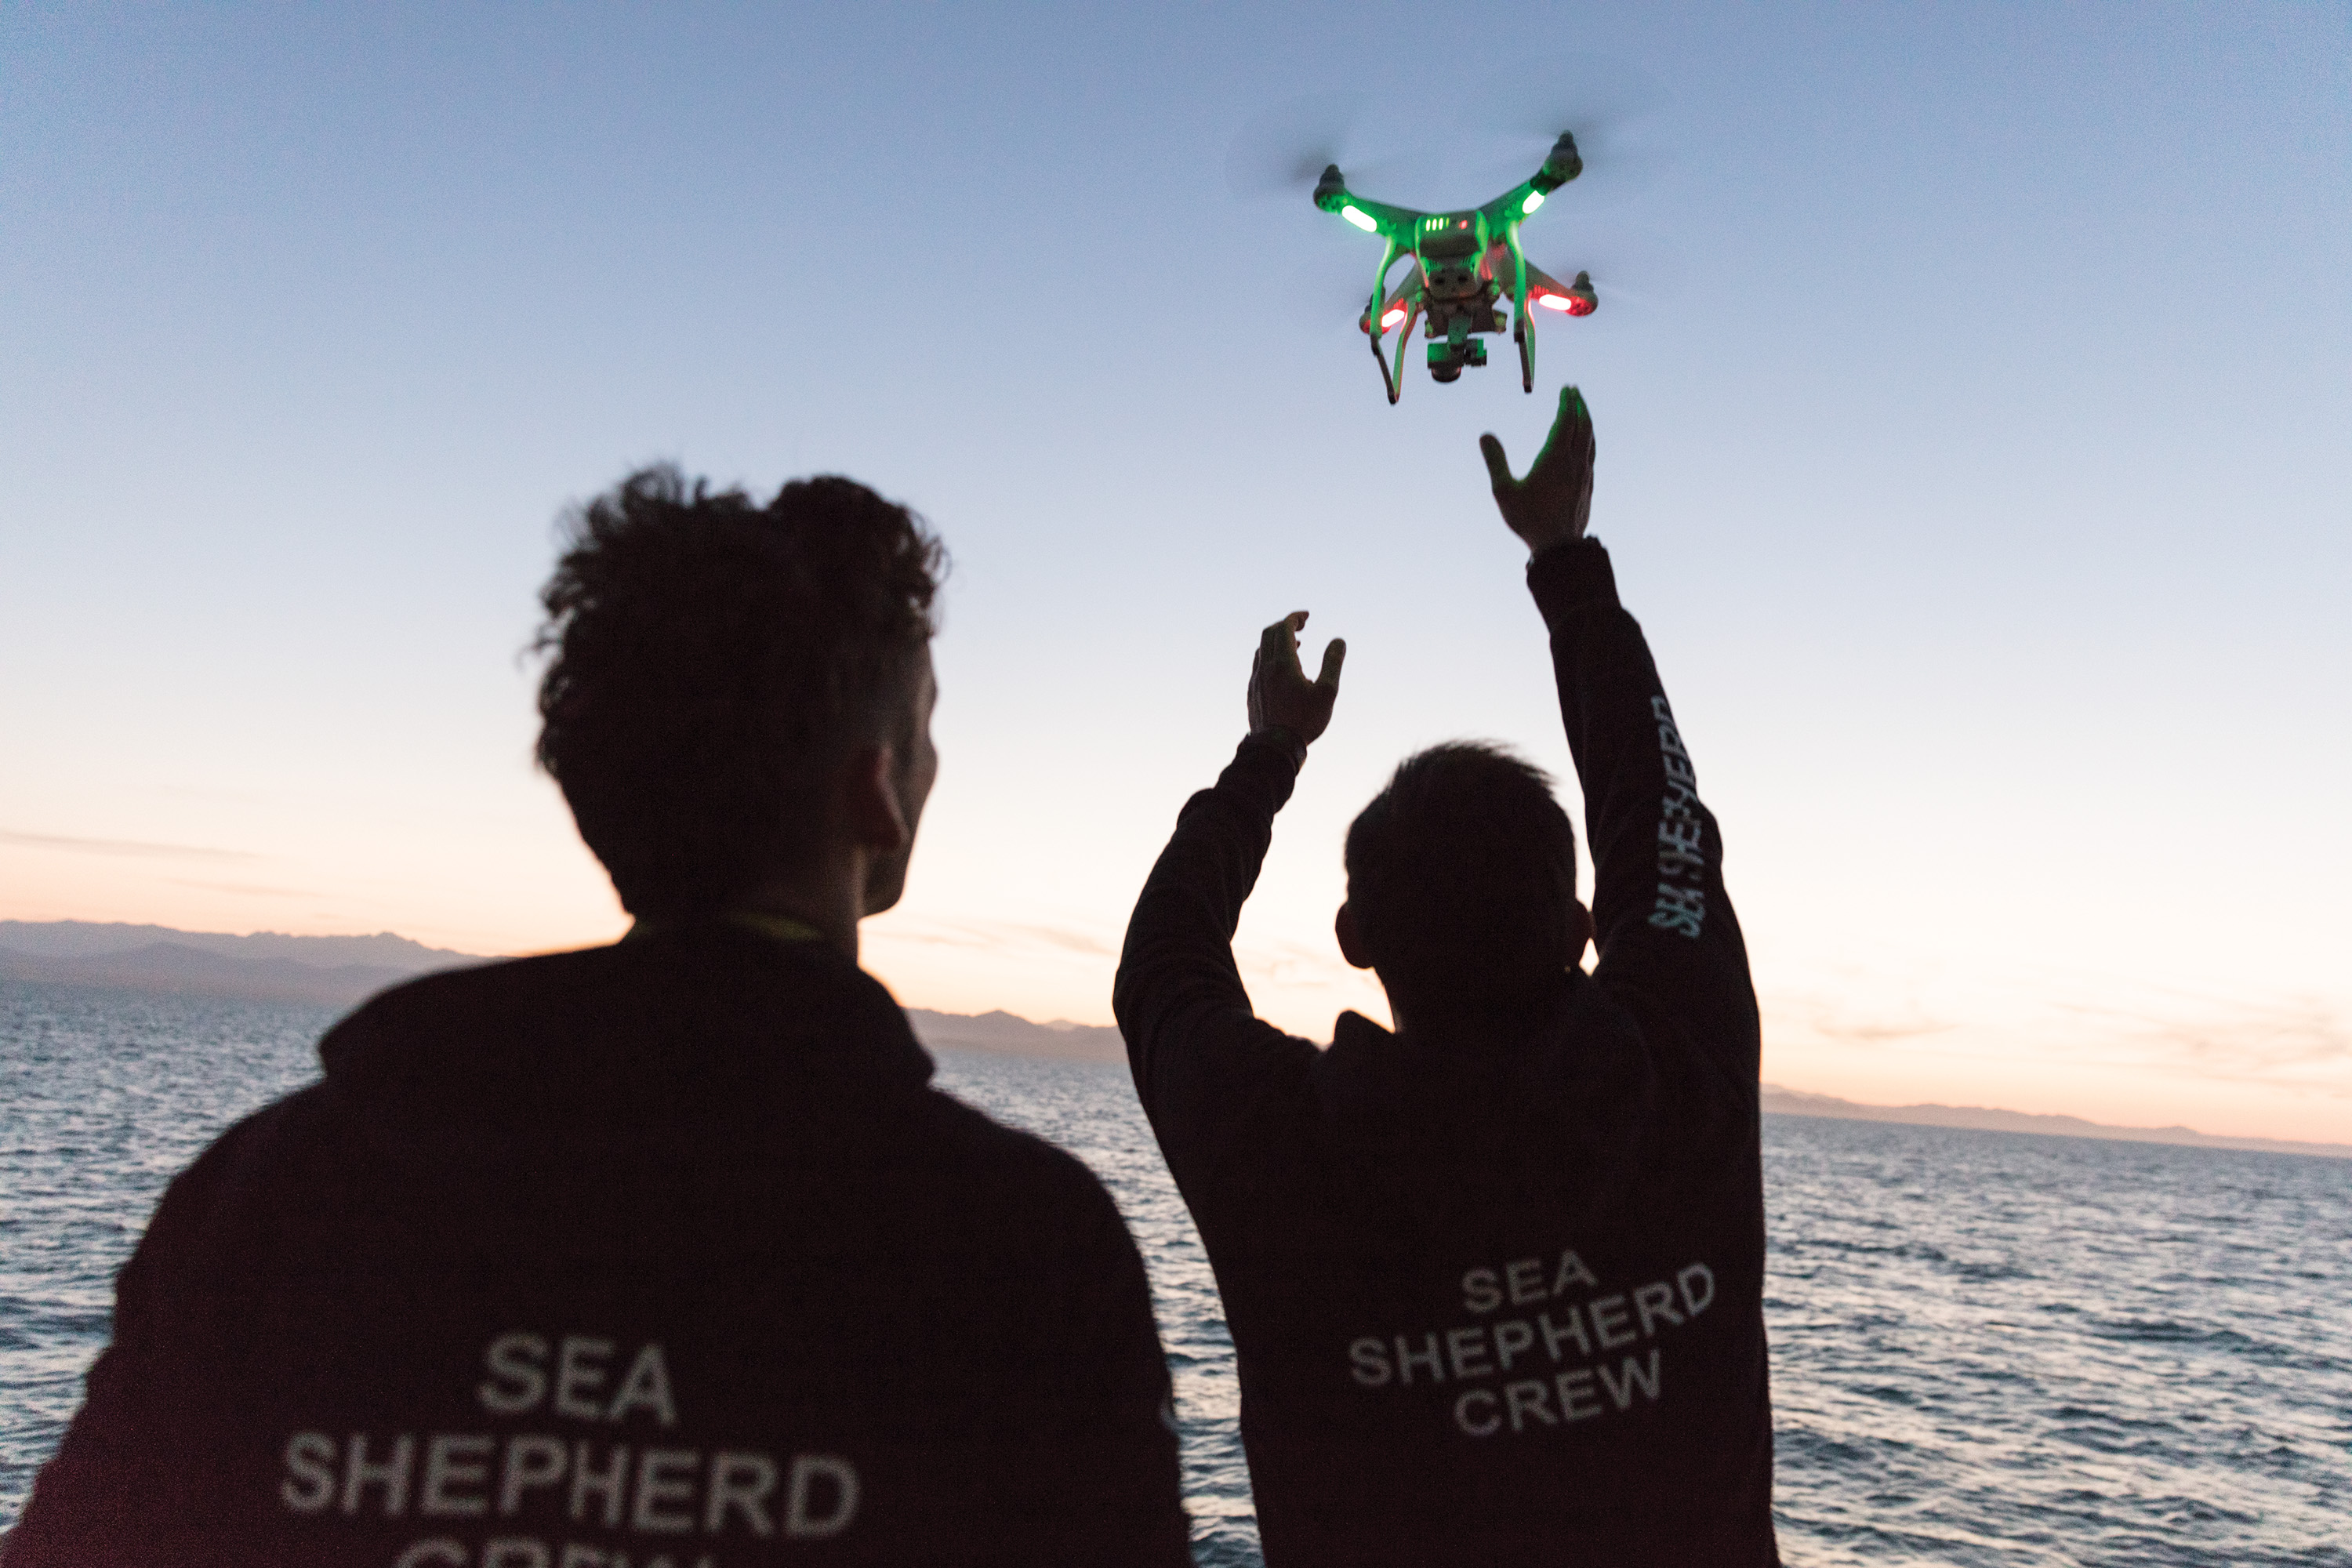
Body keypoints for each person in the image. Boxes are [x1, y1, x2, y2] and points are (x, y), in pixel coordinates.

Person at [9, 469, 1189, 1566]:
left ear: (595, 779)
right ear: (876, 791)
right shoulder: (1021, 1252)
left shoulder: (265, 1198)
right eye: (927, 726)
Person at [1116, 388, 1779, 1565]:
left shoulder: (1273, 1145)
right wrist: (1567, 562)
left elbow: (1165, 959)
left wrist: (1269, 755)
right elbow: (1660, 811)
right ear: (1582, 925)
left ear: (1355, 934)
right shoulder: (1684, 1070)